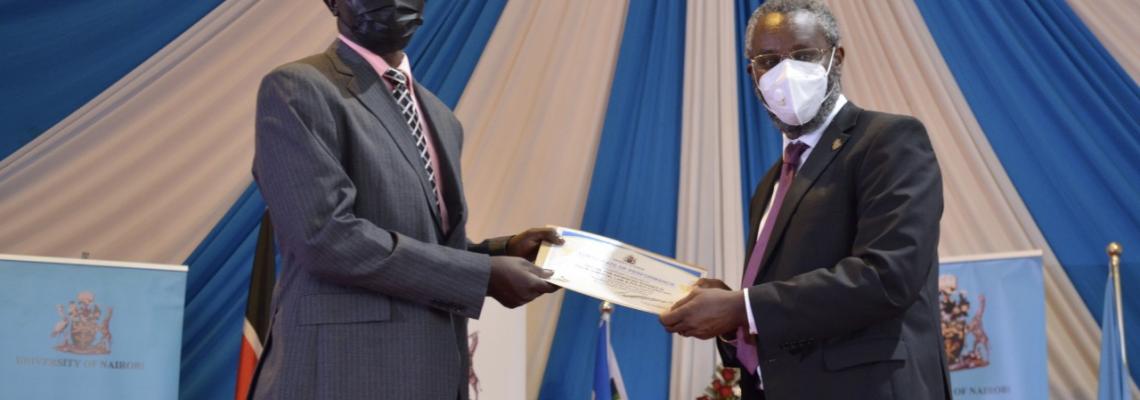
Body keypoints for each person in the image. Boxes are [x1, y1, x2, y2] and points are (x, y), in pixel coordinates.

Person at [249, 0, 560, 398]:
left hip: (433, 373)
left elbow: (421, 243)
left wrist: (498, 252)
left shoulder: (441, 118)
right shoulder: (299, 87)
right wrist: (482, 276)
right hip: (342, 376)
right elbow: (325, 237)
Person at [659, 0, 951, 398]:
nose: (786, 73)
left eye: (804, 55)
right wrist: (733, 320)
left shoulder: (888, 140)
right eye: (768, 60)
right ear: (753, 74)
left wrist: (742, 307)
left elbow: (887, 277)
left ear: (837, 58)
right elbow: (785, 310)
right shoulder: (771, 185)